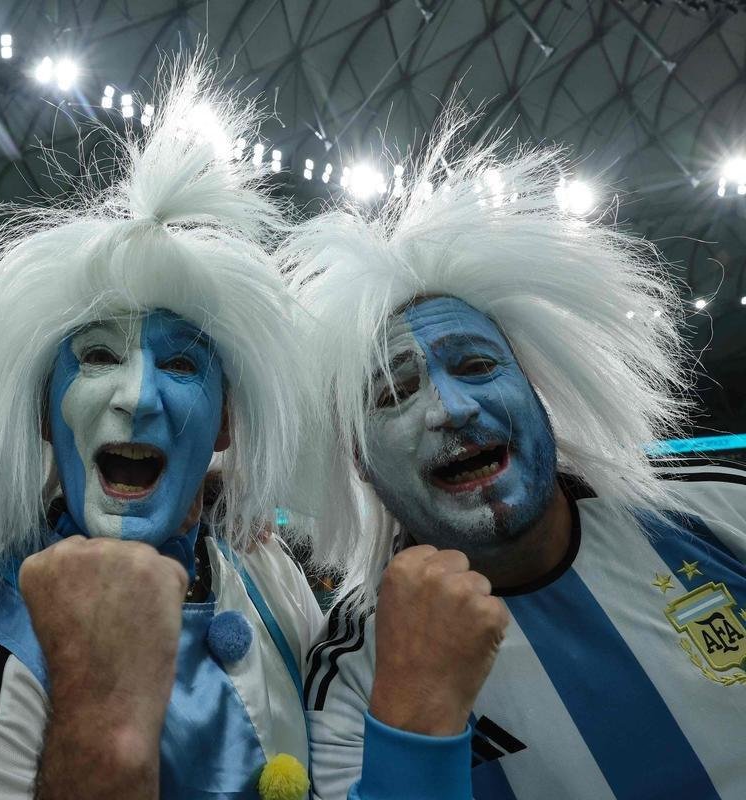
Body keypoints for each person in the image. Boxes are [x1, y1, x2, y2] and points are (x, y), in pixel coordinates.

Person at [286, 120, 746, 799]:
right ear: (357, 460)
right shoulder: (354, 669)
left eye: (475, 365)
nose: (450, 408)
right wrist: (415, 718)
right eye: (396, 392)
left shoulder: (718, 505)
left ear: (537, 389)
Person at [0, 63, 323, 800]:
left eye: (184, 365)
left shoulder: (269, 577)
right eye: (98, 357)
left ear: (225, 423)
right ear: (43, 412)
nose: (137, 397)